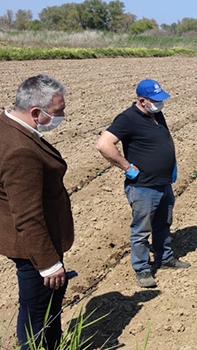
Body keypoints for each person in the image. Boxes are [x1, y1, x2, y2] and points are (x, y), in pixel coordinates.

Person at [0, 74, 74, 349]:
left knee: (38, 309)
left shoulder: (6, 124)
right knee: (38, 313)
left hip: (25, 241)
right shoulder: (21, 151)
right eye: (58, 112)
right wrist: (48, 263)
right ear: (35, 112)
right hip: (34, 249)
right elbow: (28, 215)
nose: (63, 115)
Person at [96, 79, 190, 288]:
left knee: (163, 224)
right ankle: (143, 269)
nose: (161, 104)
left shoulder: (156, 114)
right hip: (143, 186)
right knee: (141, 230)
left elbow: (166, 137)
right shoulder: (127, 119)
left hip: (163, 182)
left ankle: (165, 259)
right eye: (156, 100)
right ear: (142, 100)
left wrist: (172, 162)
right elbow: (104, 144)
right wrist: (126, 167)